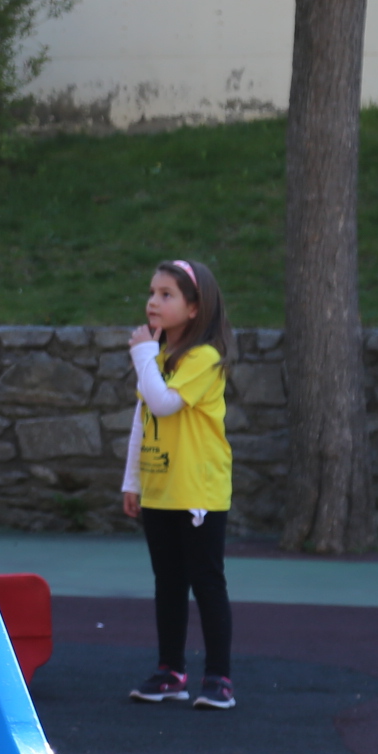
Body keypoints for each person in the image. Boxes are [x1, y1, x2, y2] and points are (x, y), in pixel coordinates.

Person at [121, 260, 237, 711]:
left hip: (198, 492)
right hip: (160, 488)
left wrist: (143, 355)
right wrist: (132, 480)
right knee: (167, 582)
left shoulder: (204, 359)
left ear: (194, 308)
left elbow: (165, 403)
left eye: (166, 294)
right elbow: (143, 416)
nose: (153, 301)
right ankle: (171, 671)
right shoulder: (157, 358)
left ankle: (219, 678)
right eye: (152, 292)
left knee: (206, 582)